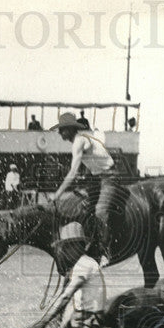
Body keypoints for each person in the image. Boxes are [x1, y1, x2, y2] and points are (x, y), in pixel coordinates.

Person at [32, 222, 106, 328]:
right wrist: (61, 326)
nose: (63, 251)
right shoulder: (80, 264)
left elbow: (66, 297)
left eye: (66, 246)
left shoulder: (84, 264)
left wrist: (42, 323)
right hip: (80, 318)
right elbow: (77, 303)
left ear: (77, 246)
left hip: (91, 321)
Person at [51, 111, 118, 266]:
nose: (60, 132)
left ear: (70, 129)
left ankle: (105, 253)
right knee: (81, 206)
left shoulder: (79, 141)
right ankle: (87, 244)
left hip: (110, 176)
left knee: (101, 211)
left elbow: (73, 172)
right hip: (97, 177)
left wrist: (58, 193)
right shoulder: (80, 141)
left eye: (62, 129)